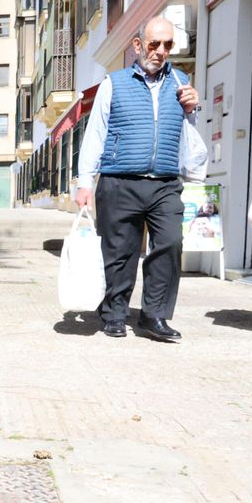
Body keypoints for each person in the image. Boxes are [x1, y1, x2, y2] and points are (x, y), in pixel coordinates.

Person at [73, 17, 201, 341]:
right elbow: (96, 133)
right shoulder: (113, 83)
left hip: (165, 182)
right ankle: (114, 313)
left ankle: (154, 315)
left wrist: (192, 109)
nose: (160, 51)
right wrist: (84, 182)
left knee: (170, 244)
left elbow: (189, 134)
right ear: (138, 45)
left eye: (167, 45)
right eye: (154, 43)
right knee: (120, 251)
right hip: (120, 180)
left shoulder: (182, 83)